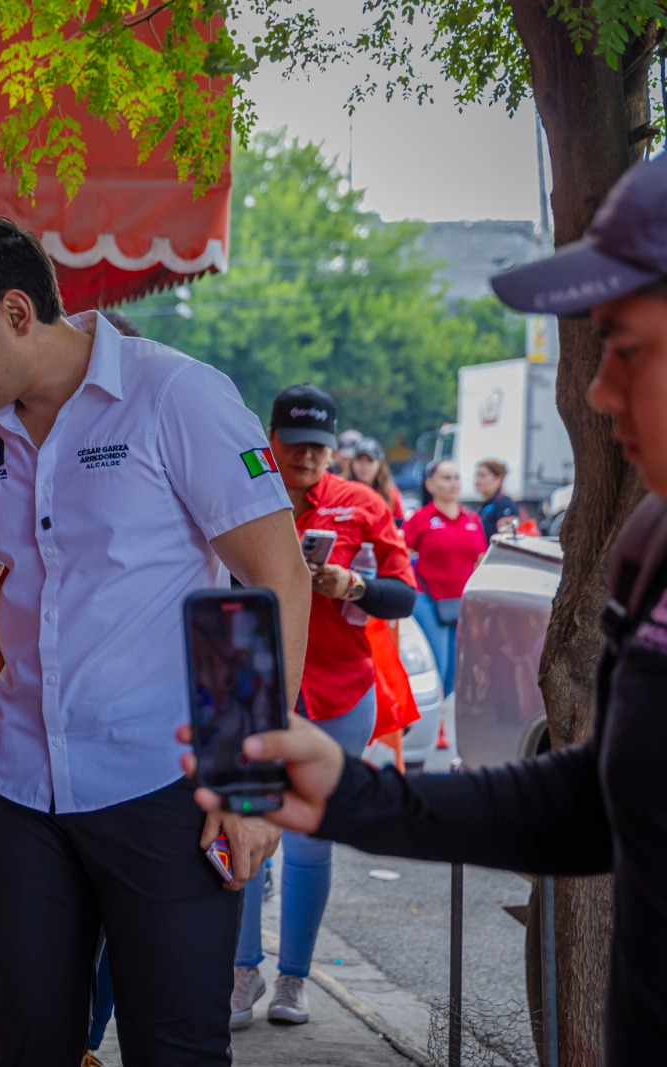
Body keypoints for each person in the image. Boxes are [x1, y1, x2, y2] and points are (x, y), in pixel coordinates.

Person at [184, 150, 667, 1067]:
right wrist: (355, 793)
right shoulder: (648, 552)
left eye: (628, 349)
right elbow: (597, 801)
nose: (598, 392)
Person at [0, 215, 309, 1066]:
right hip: (22, 790)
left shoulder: (177, 396)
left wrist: (249, 777)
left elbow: (274, 577)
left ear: (16, 312)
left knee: (175, 1049)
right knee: (28, 1046)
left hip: (171, 787)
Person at [229, 385, 417, 1030]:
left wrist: (352, 583)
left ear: (332, 449)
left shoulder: (359, 505)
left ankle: (293, 980)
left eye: (319, 447)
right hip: (255, 688)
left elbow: (403, 594)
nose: (306, 458)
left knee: (311, 839)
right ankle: (240, 970)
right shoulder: (245, 490)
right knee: (246, 828)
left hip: (339, 691)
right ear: (273, 439)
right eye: (295, 444)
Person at [403, 459, 488, 696]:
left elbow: (480, 560)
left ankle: (436, 723)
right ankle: (432, 730)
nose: (453, 484)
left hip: (461, 602)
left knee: (454, 674)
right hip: (429, 601)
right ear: (430, 484)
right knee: (437, 669)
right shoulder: (420, 518)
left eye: (456, 478)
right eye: (446, 478)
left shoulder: (471, 519)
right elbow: (401, 557)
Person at [350, 437, 405, 524]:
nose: (364, 466)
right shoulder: (343, 492)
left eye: (369, 461)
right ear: (352, 463)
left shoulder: (390, 494)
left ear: (379, 464)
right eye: (360, 460)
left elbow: (399, 525)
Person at [474, 459, 520, 534]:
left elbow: (508, 538)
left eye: (482, 476)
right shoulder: (485, 505)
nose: (477, 481)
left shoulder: (504, 503)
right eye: (477, 475)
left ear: (498, 479)